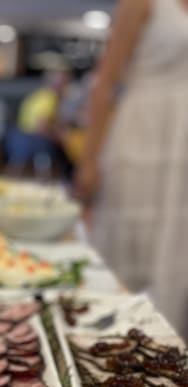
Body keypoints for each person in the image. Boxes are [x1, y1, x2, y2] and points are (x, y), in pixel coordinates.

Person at [75, 0, 188, 337]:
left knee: (177, 247)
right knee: (129, 248)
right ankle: (107, 344)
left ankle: (169, 349)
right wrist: (89, 159)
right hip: (142, 136)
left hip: (182, 147)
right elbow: (104, 82)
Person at [9, 63, 73, 176]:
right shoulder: (50, 98)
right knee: (69, 146)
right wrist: (60, 137)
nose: (67, 86)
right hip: (34, 140)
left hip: (18, 138)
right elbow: (41, 126)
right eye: (65, 83)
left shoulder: (39, 95)